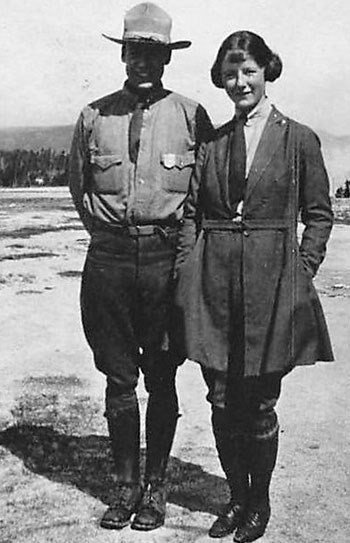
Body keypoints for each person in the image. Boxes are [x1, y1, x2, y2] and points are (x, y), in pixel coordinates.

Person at [174, 31, 334, 542]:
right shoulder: (214, 142)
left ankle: (259, 503)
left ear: (268, 71)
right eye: (229, 73)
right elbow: (192, 216)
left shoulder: (298, 139)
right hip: (215, 286)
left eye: (248, 70)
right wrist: (188, 274)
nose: (239, 81)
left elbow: (319, 215)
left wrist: (300, 269)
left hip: (273, 289)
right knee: (220, 396)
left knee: (259, 401)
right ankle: (235, 498)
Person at [69, 2, 212, 532]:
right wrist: (111, 236)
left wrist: (172, 249)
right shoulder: (93, 116)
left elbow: (202, 195)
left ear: (165, 59)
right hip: (107, 258)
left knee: (162, 374)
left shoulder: (192, 116)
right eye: (135, 52)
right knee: (117, 376)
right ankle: (125, 487)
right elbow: (79, 187)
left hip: (165, 259)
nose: (142, 62)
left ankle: (157, 488)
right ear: (123, 53)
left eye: (153, 54)